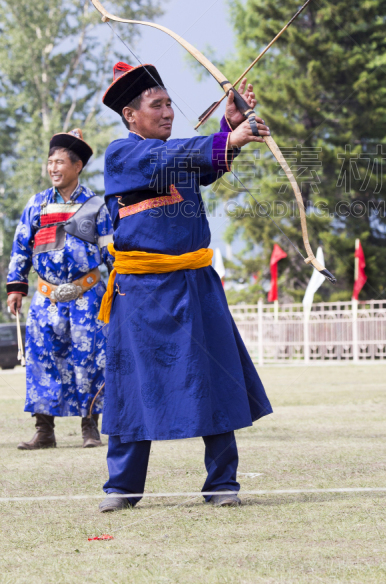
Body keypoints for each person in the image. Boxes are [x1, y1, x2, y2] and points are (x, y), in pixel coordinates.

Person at [97, 61, 273, 513]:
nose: (168, 112)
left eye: (170, 103)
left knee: (213, 378)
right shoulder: (122, 154)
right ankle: (122, 487)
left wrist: (230, 127)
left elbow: (201, 165)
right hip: (140, 294)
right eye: (157, 105)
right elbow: (169, 158)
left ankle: (222, 483)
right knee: (133, 386)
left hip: (195, 284)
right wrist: (227, 137)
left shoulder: (176, 155)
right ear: (131, 115)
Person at [6, 130, 113, 450]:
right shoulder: (36, 204)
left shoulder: (96, 205)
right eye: (50, 162)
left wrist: (122, 286)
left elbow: (111, 251)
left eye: (60, 162)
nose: (53, 168)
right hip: (47, 298)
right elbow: (21, 248)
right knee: (42, 360)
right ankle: (44, 430)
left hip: (87, 297)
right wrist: (16, 287)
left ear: (77, 166)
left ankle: (90, 428)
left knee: (90, 360)